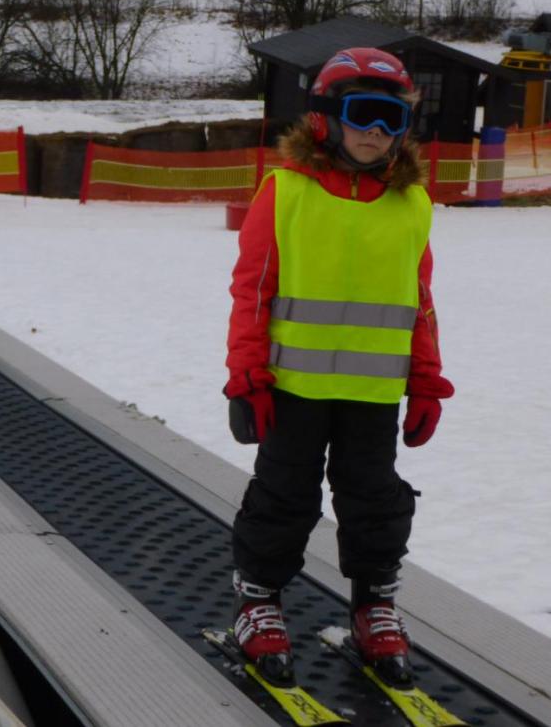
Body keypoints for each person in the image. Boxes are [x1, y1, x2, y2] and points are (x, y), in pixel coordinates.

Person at [224, 48, 454, 690]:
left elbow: (420, 300)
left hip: (372, 393)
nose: (377, 132)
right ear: (326, 117)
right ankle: (258, 596)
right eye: (364, 114)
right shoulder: (287, 192)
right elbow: (254, 289)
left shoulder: (411, 203)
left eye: (392, 119)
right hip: (292, 389)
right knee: (284, 495)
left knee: (374, 499)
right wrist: (247, 377)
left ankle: (374, 602)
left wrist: (427, 381)